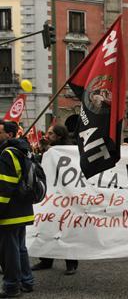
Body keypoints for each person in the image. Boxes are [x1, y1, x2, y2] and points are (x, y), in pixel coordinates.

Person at [32, 124, 79, 275]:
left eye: (51, 133)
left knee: (66, 229)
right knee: (46, 226)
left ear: (59, 136)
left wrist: (49, 150)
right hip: (50, 195)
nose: (47, 135)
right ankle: (46, 259)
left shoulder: (68, 150)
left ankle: (71, 263)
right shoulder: (50, 148)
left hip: (65, 196)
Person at [0, 120, 34, 297]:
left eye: (0, 132)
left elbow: (6, 185)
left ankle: (12, 286)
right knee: (20, 248)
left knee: (9, 252)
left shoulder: (6, 153)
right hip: (22, 209)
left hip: (9, 212)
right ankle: (26, 282)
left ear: (10, 135)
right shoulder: (23, 149)